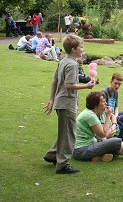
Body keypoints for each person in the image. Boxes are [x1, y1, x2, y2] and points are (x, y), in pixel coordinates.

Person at [43, 34, 95, 174]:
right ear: (73, 49)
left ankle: (53, 155)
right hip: (67, 103)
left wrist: (51, 99)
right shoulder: (72, 64)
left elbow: (55, 81)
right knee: (69, 135)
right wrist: (87, 87)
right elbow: (69, 85)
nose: (83, 50)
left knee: (64, 133)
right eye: (81, 47)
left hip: (61, 102)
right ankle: (62, 164)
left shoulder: (63, 61)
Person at [72, 91, 123, 162]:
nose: (106, 104)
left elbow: (99, 136)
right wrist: (108, 116)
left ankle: (97, 158)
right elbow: (103, 134)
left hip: (86, 147)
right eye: (103, 102)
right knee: (115, 141)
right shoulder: (90, 116)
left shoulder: (91, 113)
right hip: (81, 150)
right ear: (96, 104)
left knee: (109, 142)